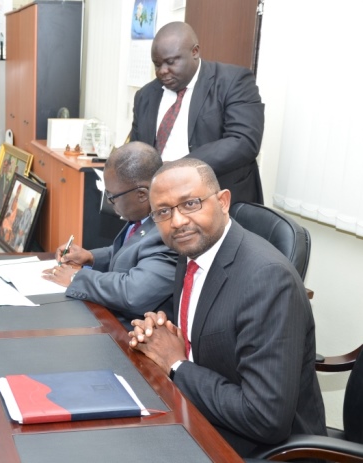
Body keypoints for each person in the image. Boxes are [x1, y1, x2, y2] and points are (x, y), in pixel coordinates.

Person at [128, 158, 326, 457]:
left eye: (191, 203)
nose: (178, 221)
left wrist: (176, 363)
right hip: (200, 413)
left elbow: (264, 418)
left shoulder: (268, 280)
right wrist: (162, 332)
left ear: (223, 202)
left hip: (255, 448)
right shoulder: (193, 248)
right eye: (163, 212)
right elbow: (208, 324)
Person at [41, 142, 177, 328]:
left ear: (141, 195)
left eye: (113, 196)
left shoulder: (168, 232)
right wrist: (89, 257)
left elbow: (133, 293)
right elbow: (128, 252)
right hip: (110, 315)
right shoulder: (143, 216)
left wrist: (76, 277)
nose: (110, 202)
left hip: (129, 332)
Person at [129, 22, 265, 205]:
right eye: (157, 64)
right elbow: (139, 148)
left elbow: (244, 141)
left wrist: (179, 167)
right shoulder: (145, 96)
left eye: (170, 62)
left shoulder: (233, 81)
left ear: (195, 52)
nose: (162, 71)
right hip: (163, 203)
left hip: (219, 201)